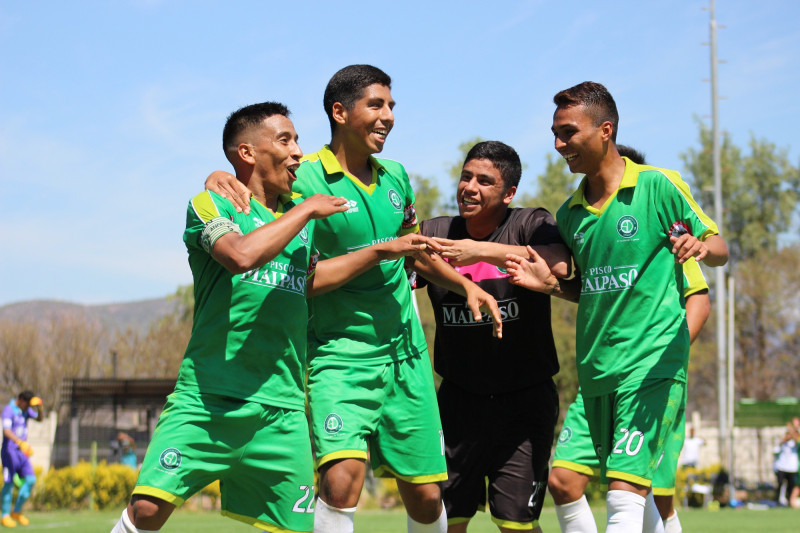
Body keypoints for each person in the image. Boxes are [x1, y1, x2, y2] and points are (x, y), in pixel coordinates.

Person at [111, 101, 441, 533]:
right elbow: (241, 255)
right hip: (209, 400)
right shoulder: (212, 204)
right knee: (149, 511)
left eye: (298, 140)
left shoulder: (298, 211)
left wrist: (379, 250)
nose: (298, 151)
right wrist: (300, 209)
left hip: (282, 411)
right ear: (246, 152)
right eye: (285, 140)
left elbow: (309, 280)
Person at [205, 65, 502, 533]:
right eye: (376, 105)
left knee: (426, 499)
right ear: (340, 112)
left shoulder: (397, 176)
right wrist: (219, 175)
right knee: (342, 481)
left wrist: (464, 283)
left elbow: (414, 250)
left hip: (406, 355)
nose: (388, 117)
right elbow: (302, 278)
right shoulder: (302, 182)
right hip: (340, 354)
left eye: (391, 107)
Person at [505, 81, 728, 533]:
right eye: (554, 132)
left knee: (627, 493)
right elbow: (590, 289)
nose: (558, 144)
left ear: (605, 130)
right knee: (565, 481)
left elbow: (719, 247)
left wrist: (701, 247)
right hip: (595, 373)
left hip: (649, 370)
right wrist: (547, 286)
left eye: (568, 132)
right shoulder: (569, 214)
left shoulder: (657, 187)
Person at [414, 140, 570, 532]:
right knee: (449, 520)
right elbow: (395, 264)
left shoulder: (530, 223)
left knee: (515, 524)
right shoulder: (435, 231)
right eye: (466, 176)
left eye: (485, 181)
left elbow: (562, 265)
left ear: (509, 193)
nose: (470, 187)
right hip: (457, 401)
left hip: (524, 402)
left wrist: (480, 251)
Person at [1, 390, 43, 528]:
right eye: (28, 404)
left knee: (31, 479)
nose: (28, 408)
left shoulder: (26, 410)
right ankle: (5, 515)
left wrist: (40, 408)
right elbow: (6, 431)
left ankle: (16, 511)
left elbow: (39, 419)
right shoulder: (9, 410)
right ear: (21, 400)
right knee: (9, 483)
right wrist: (20, 442)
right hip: (10, 452)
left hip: (22, 453)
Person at [773, 423, 799, 507]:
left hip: (792, 468)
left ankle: (789, 502)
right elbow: (775, 451)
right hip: (781, 467)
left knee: (790, 485)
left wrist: (792, 431)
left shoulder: (795, 443)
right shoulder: (782, 443)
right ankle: (777, 501)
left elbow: (797, 440)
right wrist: (783, 441)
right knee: (780, 484)